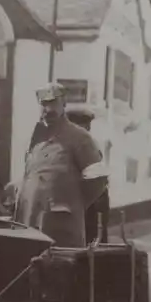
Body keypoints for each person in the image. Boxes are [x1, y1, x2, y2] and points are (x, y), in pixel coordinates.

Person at [14, 83, 103, 247]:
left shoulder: (79, 137)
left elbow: (98, 180)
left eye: (53, 103)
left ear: (64, 104)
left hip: (61, 225)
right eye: (44, 104)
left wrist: (72, 202)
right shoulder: (35, 139)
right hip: (31, 221)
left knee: (61, 260)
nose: (48, 109)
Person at [65, 105, 109, 243]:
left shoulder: (88, 145)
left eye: (86, 126)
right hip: (80, 200)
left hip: (90, 202)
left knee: (91, 240)